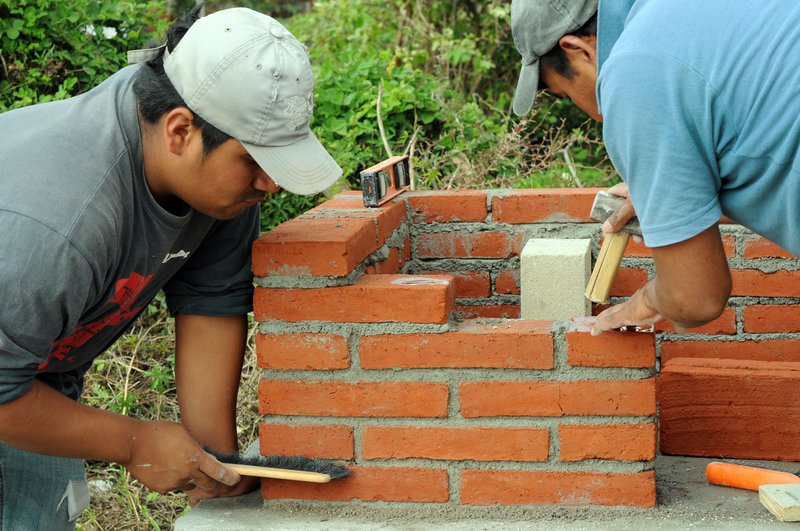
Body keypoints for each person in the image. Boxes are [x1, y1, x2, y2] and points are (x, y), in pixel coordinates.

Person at [0, 5, 342, 528]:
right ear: (180, 131)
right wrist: (134, 442)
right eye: (254, 161)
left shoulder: (216, 190)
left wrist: (220, 471)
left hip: (31, 382)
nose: (269, 185)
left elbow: (211, 304)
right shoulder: (60, 224)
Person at [510, 0, 800, 335]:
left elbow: (695, 299)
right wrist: (680, 197)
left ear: (576, 49)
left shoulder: (633, 69)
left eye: (565, 94)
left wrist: (646, 301)